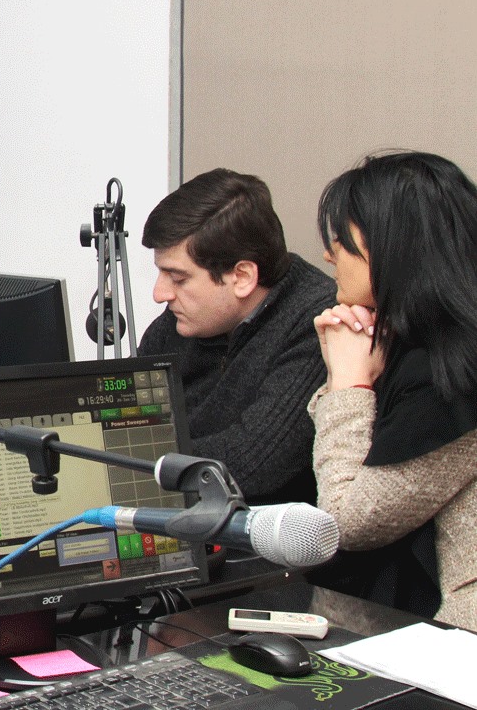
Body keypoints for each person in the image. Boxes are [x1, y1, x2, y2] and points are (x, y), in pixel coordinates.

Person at [310, 151, 477, 629]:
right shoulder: (424, 344)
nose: (329, 254)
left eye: (341, 239)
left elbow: (347, 522)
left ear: (395, 246)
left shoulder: (453, 373)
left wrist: (349, 382)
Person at [138, 168, 336, 505]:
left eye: (178, 278)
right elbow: (128, 427)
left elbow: (253, 463)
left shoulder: (317, 322)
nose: (160, 294)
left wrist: (140, 460)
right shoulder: (180, 322)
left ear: (242, 277)